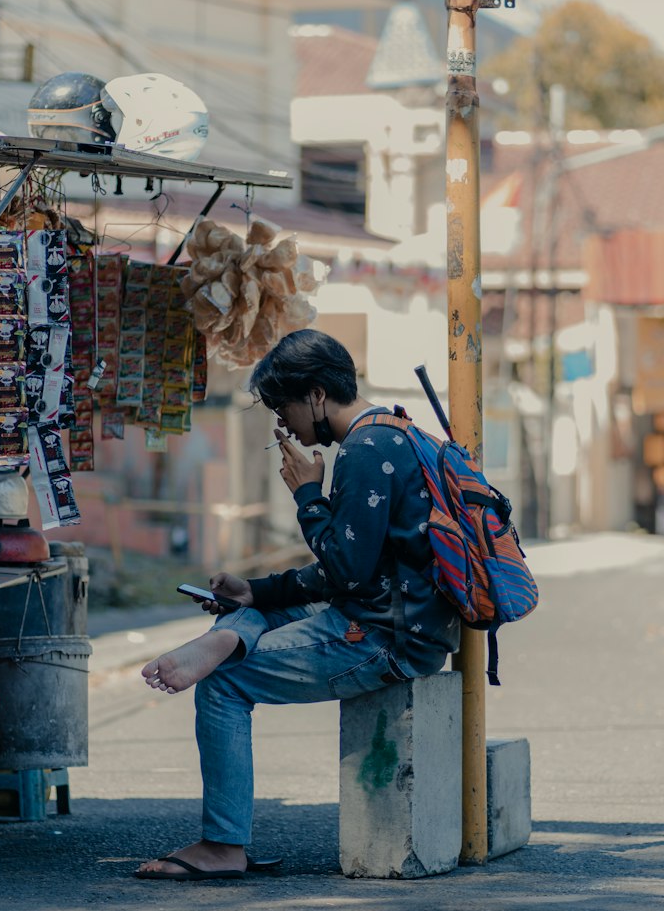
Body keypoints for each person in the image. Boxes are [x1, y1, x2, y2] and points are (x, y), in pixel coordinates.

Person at [135, 330, 458, 881]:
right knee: (249, 610)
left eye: (283, 408)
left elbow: (346, 571)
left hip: (385, 638)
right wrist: (257, 592)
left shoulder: (364, 449)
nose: (283, 427)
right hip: (392, 616)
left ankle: (223, 846)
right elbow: (360, 567)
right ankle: (235, 630)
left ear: (314, 394)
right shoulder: (396, 430)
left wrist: (309, 495)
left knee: (223, 685)